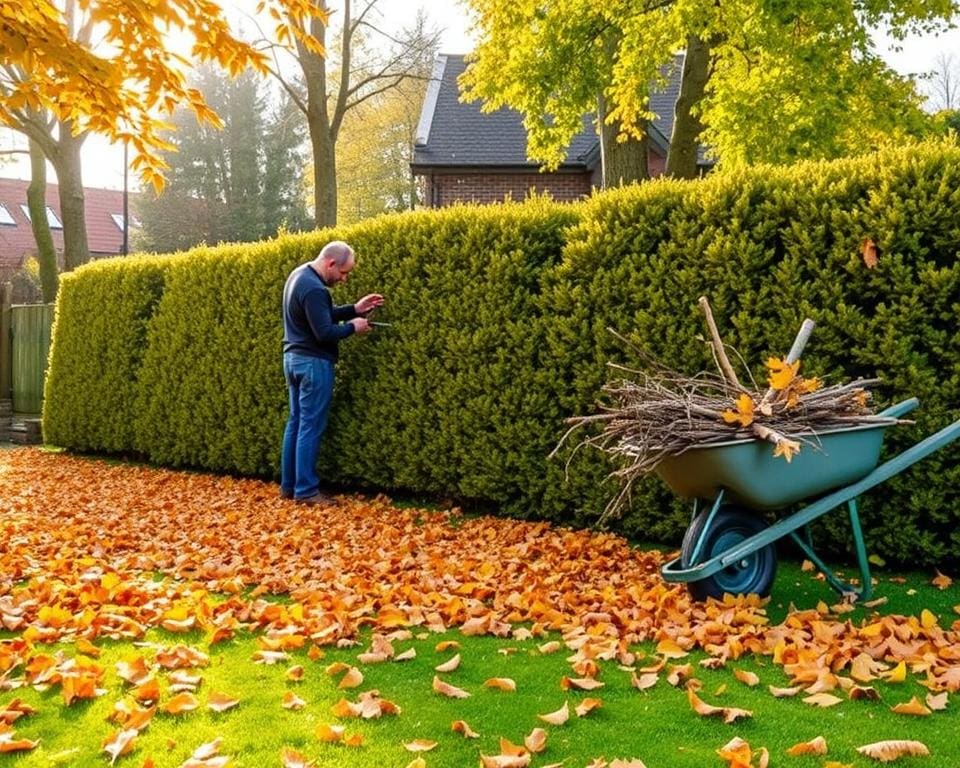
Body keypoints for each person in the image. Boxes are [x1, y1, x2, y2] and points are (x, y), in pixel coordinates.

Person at [280, 240, 384, 505]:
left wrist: (354, 309)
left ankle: (289, 486)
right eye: (344, 272)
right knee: (310, 426)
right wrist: (353, 327)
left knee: (296, 422)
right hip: (313, 364)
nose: (344, 278)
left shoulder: (299, 275)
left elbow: (319, 316)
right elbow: (324, 332)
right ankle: (306, 491)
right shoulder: (316, 289)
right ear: (331, 263)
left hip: (293, 360)